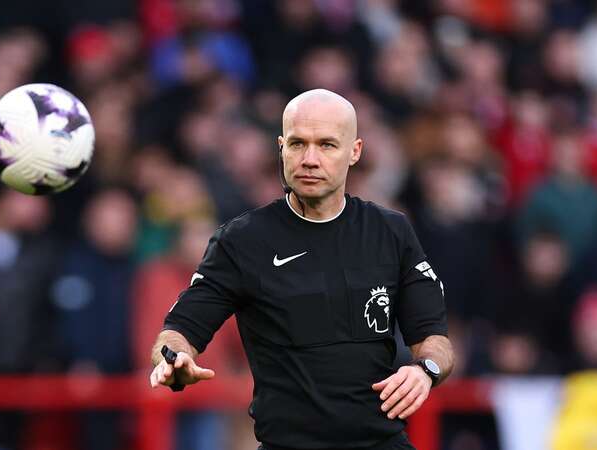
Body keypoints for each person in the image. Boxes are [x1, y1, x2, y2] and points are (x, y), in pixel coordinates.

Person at [148, 89, 454, 450]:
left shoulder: (391, 232)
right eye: (297, 144)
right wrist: (173, 359)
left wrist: (425, 371)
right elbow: (178, 332)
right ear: (281, 148)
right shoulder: (242, 241)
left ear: (354, 151)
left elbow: (435, 342)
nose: (309, 159)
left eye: (326, 145)